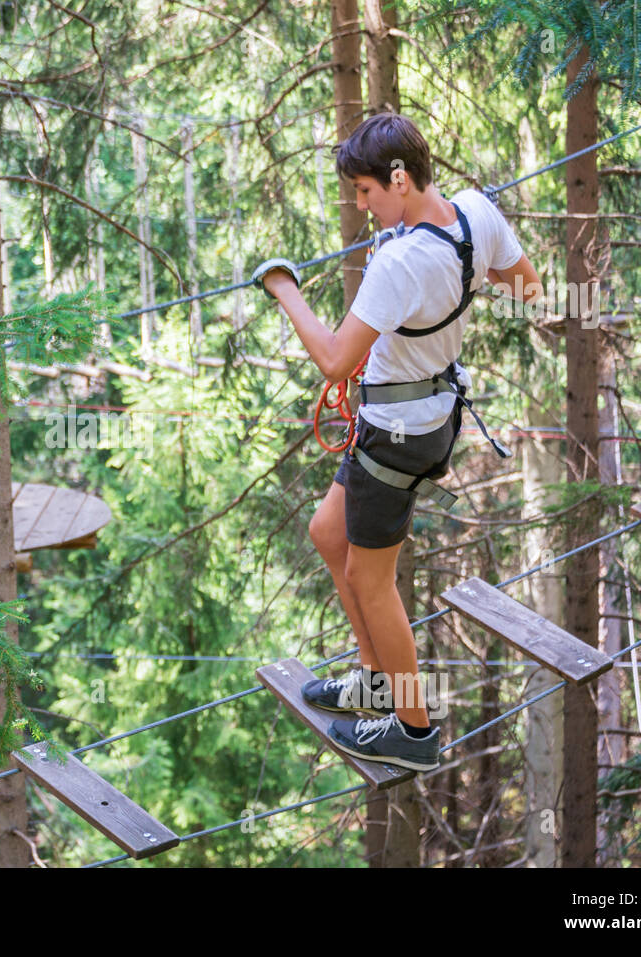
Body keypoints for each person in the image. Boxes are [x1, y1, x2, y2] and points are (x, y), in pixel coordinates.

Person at [251, 112, 542, 771]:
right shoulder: (474, 216)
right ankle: (373, 678)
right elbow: (527, 286)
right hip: (429, 412)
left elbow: (333, 359)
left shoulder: (398, 262)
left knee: (370, 578)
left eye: (366, 191)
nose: (360, 206)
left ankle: (413, 730)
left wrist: (284, 288)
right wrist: (470, 277)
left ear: (401, 179)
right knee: (330, 533)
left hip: (396, 433)